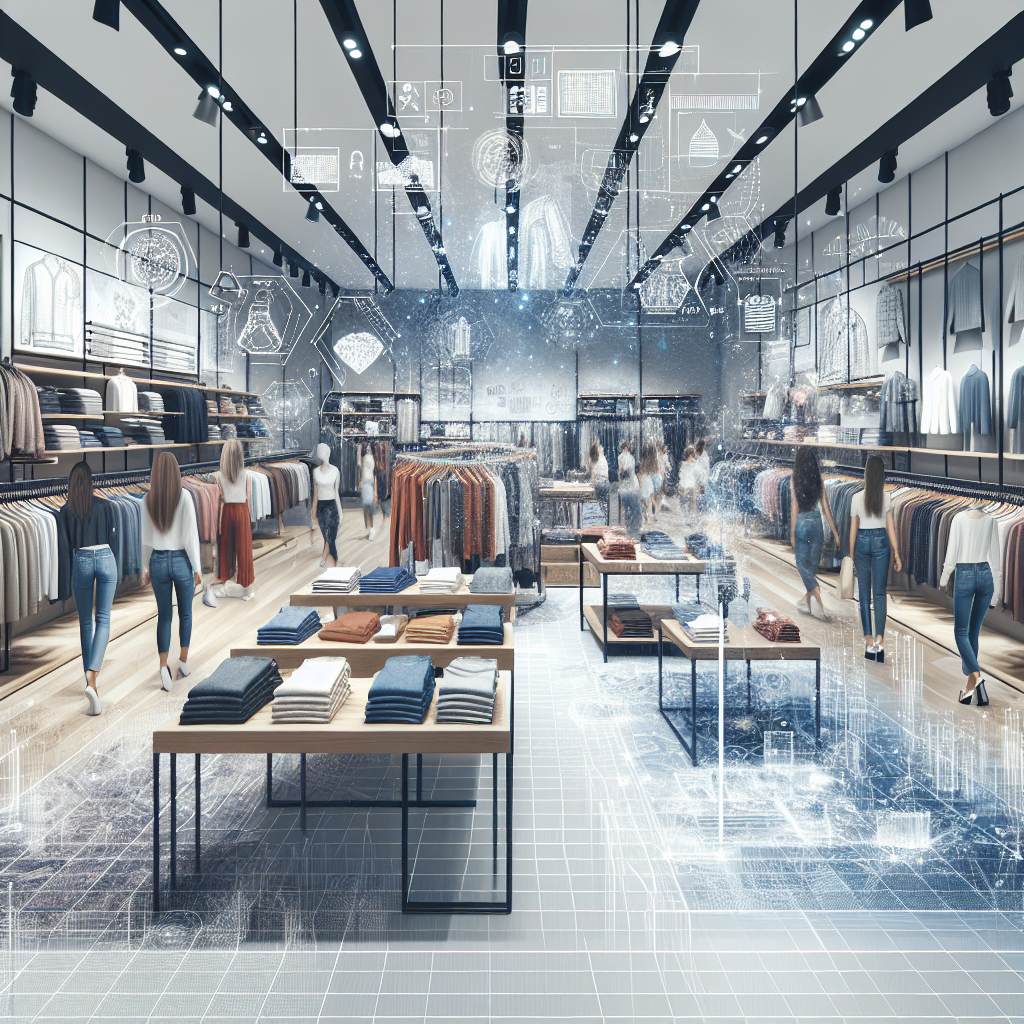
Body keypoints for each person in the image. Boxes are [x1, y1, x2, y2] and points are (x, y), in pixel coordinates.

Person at [57, 461, 119, 716]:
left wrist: (63, 586)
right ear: (92, 482)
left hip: (81, 559)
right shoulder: (108, 506)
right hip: (105, 557)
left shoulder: (64, 511)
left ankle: (89, 682)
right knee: (103, 618)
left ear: (71, 485)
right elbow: (114, 541)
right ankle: (93, 675)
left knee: (85, 623)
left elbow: (65, 549)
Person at [141, 452, 202, 692]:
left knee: (164, 615)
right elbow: (190, 537)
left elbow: (145, 539)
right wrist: (196, 567)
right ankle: (183, 663)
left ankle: (163, 666)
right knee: (185, 614)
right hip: (180, 560)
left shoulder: (147, 500)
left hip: (157, 559)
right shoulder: (185, 497)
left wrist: (144, 567)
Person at [849, 455, 902, 663]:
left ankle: (868, 641)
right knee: (879, 593)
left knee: (864, 593)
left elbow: (853, 529)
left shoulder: (856, 499)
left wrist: (851, 554)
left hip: (862, 541)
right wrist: (896, 552)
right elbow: (891, 527)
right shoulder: (886, 498)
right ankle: (880, 641)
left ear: (866, 474)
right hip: (881, 541)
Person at [790, 446, 840, 620]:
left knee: (801, 564)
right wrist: (835, 532)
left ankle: (816, 593)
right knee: (811, 565)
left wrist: (792, 534)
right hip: (817, 521)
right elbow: (826, 507)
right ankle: (808, 601)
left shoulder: (794, 479)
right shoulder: (819, 479)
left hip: (803, 521)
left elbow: (794, 508)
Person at [214, 439, 255, 600]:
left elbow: (218, 499)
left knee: (225, 549)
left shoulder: (218, 476)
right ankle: (247, 589)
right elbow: (249, 499)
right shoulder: (247, 475)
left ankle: (225, 585)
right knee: (244, 550)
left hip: (226, 512)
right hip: (242, 510)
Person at [311, 442, 343, 567]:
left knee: (330, 535)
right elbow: (315, 494)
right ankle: (329, 559)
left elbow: (336, 492)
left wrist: (340, 512)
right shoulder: (315, 472)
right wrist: (313, 515)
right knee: (326, 535)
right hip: (321, 507)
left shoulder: (335, 471)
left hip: (331, 506)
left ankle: (330, 559)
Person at [617, 440, 641, 538]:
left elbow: (620, 470)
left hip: (624, 486)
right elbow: (631, 471)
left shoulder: (620, 457)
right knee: (634, 508)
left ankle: (626, 527)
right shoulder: (631, 457)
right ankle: (631, 529)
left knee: (625, 507)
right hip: (632, 486)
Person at [360, 442, 379, 540]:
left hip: (369, 482)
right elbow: (361, 470)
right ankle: (369, 528)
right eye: (366, 447)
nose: (368, 449)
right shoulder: (364, 458)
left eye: (369, 447)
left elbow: (374, 474)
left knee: (369, 506)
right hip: (365, 483)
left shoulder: (372, 459)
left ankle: (371, 528)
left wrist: (375, 492)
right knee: (366, 507)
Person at [639, 443, 660, 522]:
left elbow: (640, 473)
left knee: (644, 501)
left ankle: (646, 517)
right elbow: (656, 472)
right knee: (652, 499)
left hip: (644, 481)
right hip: (651, 481)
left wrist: (640, 483)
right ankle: (654, 515)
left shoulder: (643, 461)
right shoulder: (653, 461)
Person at [589, 442, 610, 521]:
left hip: (598, 484)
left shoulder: (595, 460)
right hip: (605, 483)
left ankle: (600, 517)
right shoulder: (603, 458)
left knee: (599, 503)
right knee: (605, 503)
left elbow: (593, 476)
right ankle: (605, 518)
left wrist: (592, 484)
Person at [678, 445, 698, 516]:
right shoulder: (694, 464)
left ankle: (688, 518)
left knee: (687, 503)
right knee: (690, 504)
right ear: (692, 454)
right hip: (690, 485)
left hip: (686, 485)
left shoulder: (684, 464)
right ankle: (689, 518)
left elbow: (681, 475)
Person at [659, 444, 673, 511]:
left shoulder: (665, 456)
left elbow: (667, 463)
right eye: (665, 448)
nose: (666, 450)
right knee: (661, 486)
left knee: (663, 485)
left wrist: (669, 467)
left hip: (663, 472)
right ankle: (661, 500)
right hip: (660, 472)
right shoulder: (659, 455)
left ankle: (662, 500)